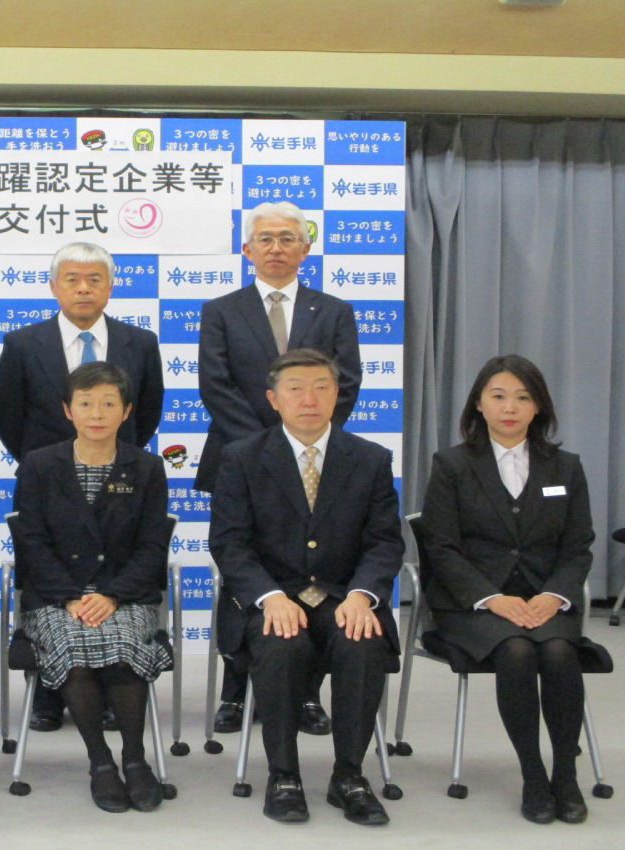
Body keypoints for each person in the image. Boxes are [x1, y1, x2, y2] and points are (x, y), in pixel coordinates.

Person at [210, 348, 401, 826]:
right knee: (282, 644)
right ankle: (283, 775)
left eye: (321, 388)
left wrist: (362, 595)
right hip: (272, 597)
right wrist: (269, 596)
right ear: (274, 399)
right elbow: (230, 543)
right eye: (295, 389)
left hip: (343, 596)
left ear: (338, 395)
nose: (309, 399)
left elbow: (384, 542)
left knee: (362, 642)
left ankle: (349, 776)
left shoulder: (370, 458)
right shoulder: (241, 458)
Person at [196, 201, 361, 736]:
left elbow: (345, 385)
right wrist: (266, 447)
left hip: (314, 462)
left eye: (287, 238)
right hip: (237, 462)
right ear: (247, 249)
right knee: (243, 572)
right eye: (265, 238)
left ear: (305, 249)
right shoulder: (221, 310)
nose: (276, 248)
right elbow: (215, 385)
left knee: (308, 574)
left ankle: (305, 692)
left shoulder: (333, 311)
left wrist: (298, 442)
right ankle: (234, 690)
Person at [0, 240, 164, 731]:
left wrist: (112, 455)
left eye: (95, 279)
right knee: (50, 578)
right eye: (72, 279)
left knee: (111, 573)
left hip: (118, 479)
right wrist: (45, 464)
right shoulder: (24, 343)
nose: (84, 288)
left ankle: (108, 688)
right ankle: (48, 693)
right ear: (54, 286)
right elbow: (6, 413)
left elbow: (147, 410)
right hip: (48, 484)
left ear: (110, 286)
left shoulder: (139, 342)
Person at [420, 354, 594, 824]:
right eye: (498, 396)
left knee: (558, 651)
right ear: (479, 404)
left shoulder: (566, 467)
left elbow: (578, 548)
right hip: (473, 604)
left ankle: (565, 774)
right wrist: (491, 598)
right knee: (516, 652)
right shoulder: (452, 465)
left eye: (523, 397)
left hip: (545, 599)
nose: (510, 407)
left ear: (539, 407)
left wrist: (554, 596)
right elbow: (441, 547)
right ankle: (533, 774)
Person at [13, 361, 172, 813]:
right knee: (73, 646)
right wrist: (69, 596)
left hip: (125, 595)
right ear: (68, 410)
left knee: (123, 645)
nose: (96, 413)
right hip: (56, 597)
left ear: (127, 411)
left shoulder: (146, 467)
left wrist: (113, 595)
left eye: (108, 403)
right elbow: (32, 542)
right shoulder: (39, 466)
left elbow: (152, 545)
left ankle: (135, 759)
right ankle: (100, 762)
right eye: (85, 403)